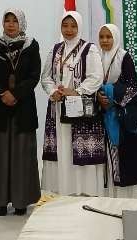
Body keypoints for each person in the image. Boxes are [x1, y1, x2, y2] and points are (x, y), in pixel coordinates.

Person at [0, 9, 41, 216]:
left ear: (21, 23)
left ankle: (21, 200)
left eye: (15, 21)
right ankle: (0, 200)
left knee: (22, 154)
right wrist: (2, 93)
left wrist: (15, 94)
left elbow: (34, 76)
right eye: (7, 20)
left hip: (22, 107)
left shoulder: (31, 45)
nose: (11, 24)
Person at [40, 11, 105, 196]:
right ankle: (62, 190)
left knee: (79, 149)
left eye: (73, 26)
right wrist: (54, 91)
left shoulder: (89, 49)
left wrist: (76, 91)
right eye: (65, 25)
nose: (69, 30)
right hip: (59, 107)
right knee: (62, 147)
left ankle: (83, 192)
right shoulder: (55, 50)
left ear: (79, 27)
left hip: (80, 109)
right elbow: (46, 77)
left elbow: (96, 77)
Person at [97, 24, 137, 198]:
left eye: (108, 37)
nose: (105, 41)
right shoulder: (95, 56)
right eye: (102, 37)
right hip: (101, 116)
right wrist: (98, 97)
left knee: (127, 162)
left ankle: (129, 200)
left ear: (116, 37)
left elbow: (132, 86)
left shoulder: (123, 57)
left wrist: (110, 95)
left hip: (122, 117)